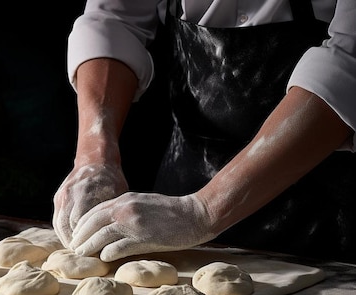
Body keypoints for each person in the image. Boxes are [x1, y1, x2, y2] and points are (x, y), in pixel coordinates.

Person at [53, 0, 356, 264]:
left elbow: (349, 62)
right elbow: (115, 20)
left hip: (324, 208)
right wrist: (94, 157)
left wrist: (202, 212)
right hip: (181, 192)